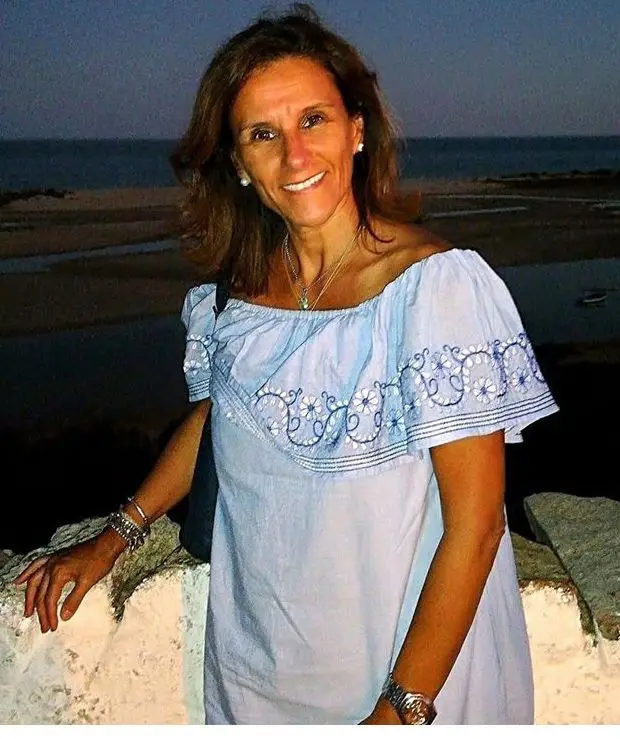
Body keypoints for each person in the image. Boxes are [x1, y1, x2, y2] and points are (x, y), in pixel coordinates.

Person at [15, 4, 558, 725]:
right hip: (259, 672)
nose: (295, 156)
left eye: (314, 120)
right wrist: (117, 535)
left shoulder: (434, 290)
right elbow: (218, 419)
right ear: (239, 164)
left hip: (397, 673)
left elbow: (478, 525)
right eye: (263, 134)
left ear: (357, 129)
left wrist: (399, 710)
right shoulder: (237, 298)